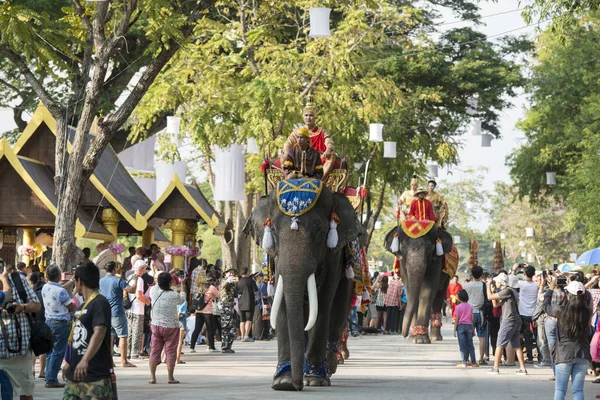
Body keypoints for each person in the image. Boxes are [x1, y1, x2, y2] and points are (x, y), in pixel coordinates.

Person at [62, 261, 114, 399]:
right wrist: (69, 361)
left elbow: (99, 331)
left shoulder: (100, 303)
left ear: (80, 282)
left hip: (95, 375)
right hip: (74, 375)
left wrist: (85, 359)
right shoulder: (83, 306)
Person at [543, 279, 591, 400]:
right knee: (578, 390)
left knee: (560, 390)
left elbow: (546, 307)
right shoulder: (587, 312)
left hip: (564, 354)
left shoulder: (561, 311)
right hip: (582, 353)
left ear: (568, 295)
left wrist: (550, 289)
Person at [0, 262, 41, 400]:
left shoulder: (19, 280)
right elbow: (7, 296)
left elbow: (36, 305)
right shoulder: (7, 283)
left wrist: (22, 307)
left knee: (26, 392)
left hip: (18, 352)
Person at [282, 95, 335, 176]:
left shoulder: (321, 131)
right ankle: (289, 177)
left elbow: (329, 142)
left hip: (316, 160)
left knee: (332, 155)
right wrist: (286, 151)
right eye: (306, 115)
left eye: (311, 115)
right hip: (298, 159)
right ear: (303, 117)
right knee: (284, 155)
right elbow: (288, 143)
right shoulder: (297, 132)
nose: (308, 118)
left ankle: (320, 179)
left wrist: (328, 149)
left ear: (315, 117)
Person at [486, 272, 528, 375]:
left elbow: (490, 298)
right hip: (515, 321)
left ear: (500, 282)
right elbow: (496, 304)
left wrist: (488, 286)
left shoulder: (507, 291)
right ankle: (523, 368)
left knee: (499, 344)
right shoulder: (510, 291)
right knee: (516, 345)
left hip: (508, 321)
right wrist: (493, 290)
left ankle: (495, 367)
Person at [148, 272, 186, 384]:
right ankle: (170, 377)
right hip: (171, 327)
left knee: (154, 350)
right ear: (170, 282)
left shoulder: (153, 291)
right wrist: (182, 284)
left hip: (156, 325)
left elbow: (160, 285)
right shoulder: (173, 295)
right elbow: (182, 299)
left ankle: (152, 377)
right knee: (170, 351)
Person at [99, 261, 138, 368]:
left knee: (110, 337)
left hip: (106, 312)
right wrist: (135, 280)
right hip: (117, 311)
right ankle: (124, 361)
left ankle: (109, 361)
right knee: (123, 336)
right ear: (114, 269)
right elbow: (132, 290)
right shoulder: (118, 280)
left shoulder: (101, 281)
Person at [41, 264, 75, 388]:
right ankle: (51, 379)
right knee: (58, 351)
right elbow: (71, 307)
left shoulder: (45, 287)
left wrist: (71, 281)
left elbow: (60, 289)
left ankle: (48, 376)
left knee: (51, 351)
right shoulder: (60, 291)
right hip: (60, 324)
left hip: (48, 322)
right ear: (58, 275)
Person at [463, 266, 489, 365]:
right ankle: (481, 358)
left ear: (471, 274)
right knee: (482, 337)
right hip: (482, 313)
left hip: (469, 314)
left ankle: (468, 358)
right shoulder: (485, 285)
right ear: (482, 274)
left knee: (468, 336)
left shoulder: (466, 286)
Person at [190, 274, 220, 353]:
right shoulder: (212, 288)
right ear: (213, 281)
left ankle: (192, 347)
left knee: (197, 329)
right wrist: (219, 288)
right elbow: (219, 295)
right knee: (210, 329)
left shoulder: (201, 287)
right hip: (208, 312)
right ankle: (211, 347)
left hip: (199, 311)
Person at [127, 260, 150, 360]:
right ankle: (135, 353)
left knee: (130, 332)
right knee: (137, 331)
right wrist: (147, 301)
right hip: (138, 308)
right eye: (145, 268)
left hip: (129, 309)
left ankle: (128, 351)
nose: (145, 270)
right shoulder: (140, 280)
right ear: (142, 269)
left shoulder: (129, 277)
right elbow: (139, 295)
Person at [518, 265, 538, 364]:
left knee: (527, 338)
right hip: (535, 314)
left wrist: (514, 269)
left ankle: (530, 357)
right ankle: (541, 357)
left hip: (523, 314)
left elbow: (511, 280)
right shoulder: (537, 285)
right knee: (538, 337)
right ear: (534, 274)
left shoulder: (521, 284)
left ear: (524, 274)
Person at [454, 290, 478, 368]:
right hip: (469, 326)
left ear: (459, 298)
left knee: (462, 345)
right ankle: (474, 362)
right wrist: (473, 330)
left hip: (460, 326)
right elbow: (472, 318)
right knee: (470, 344)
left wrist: (454, 330)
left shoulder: (458, 307)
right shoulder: (470, 306)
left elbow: (456, 319)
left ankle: (464, 362)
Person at [236, 267, 258, 342]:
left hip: (240, 303)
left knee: (242, 320)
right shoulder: (251, 281)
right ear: (247, 272)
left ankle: (242, 336)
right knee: (249, 319)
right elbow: (255, 292)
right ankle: (246, 336)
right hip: (249, 302)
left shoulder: (238, 282)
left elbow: (236, 292)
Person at [220, 268, 237, 353]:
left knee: (232, 328)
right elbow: (222, 286)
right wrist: (227, 281)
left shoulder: (233, 283)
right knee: (226, 327)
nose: (231, 274)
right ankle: (225, 347)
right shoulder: (223, 281)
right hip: (225, 305)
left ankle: (228, 346)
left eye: (233, 273)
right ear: (225, 273)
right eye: (229, 272)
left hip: (231, 306)